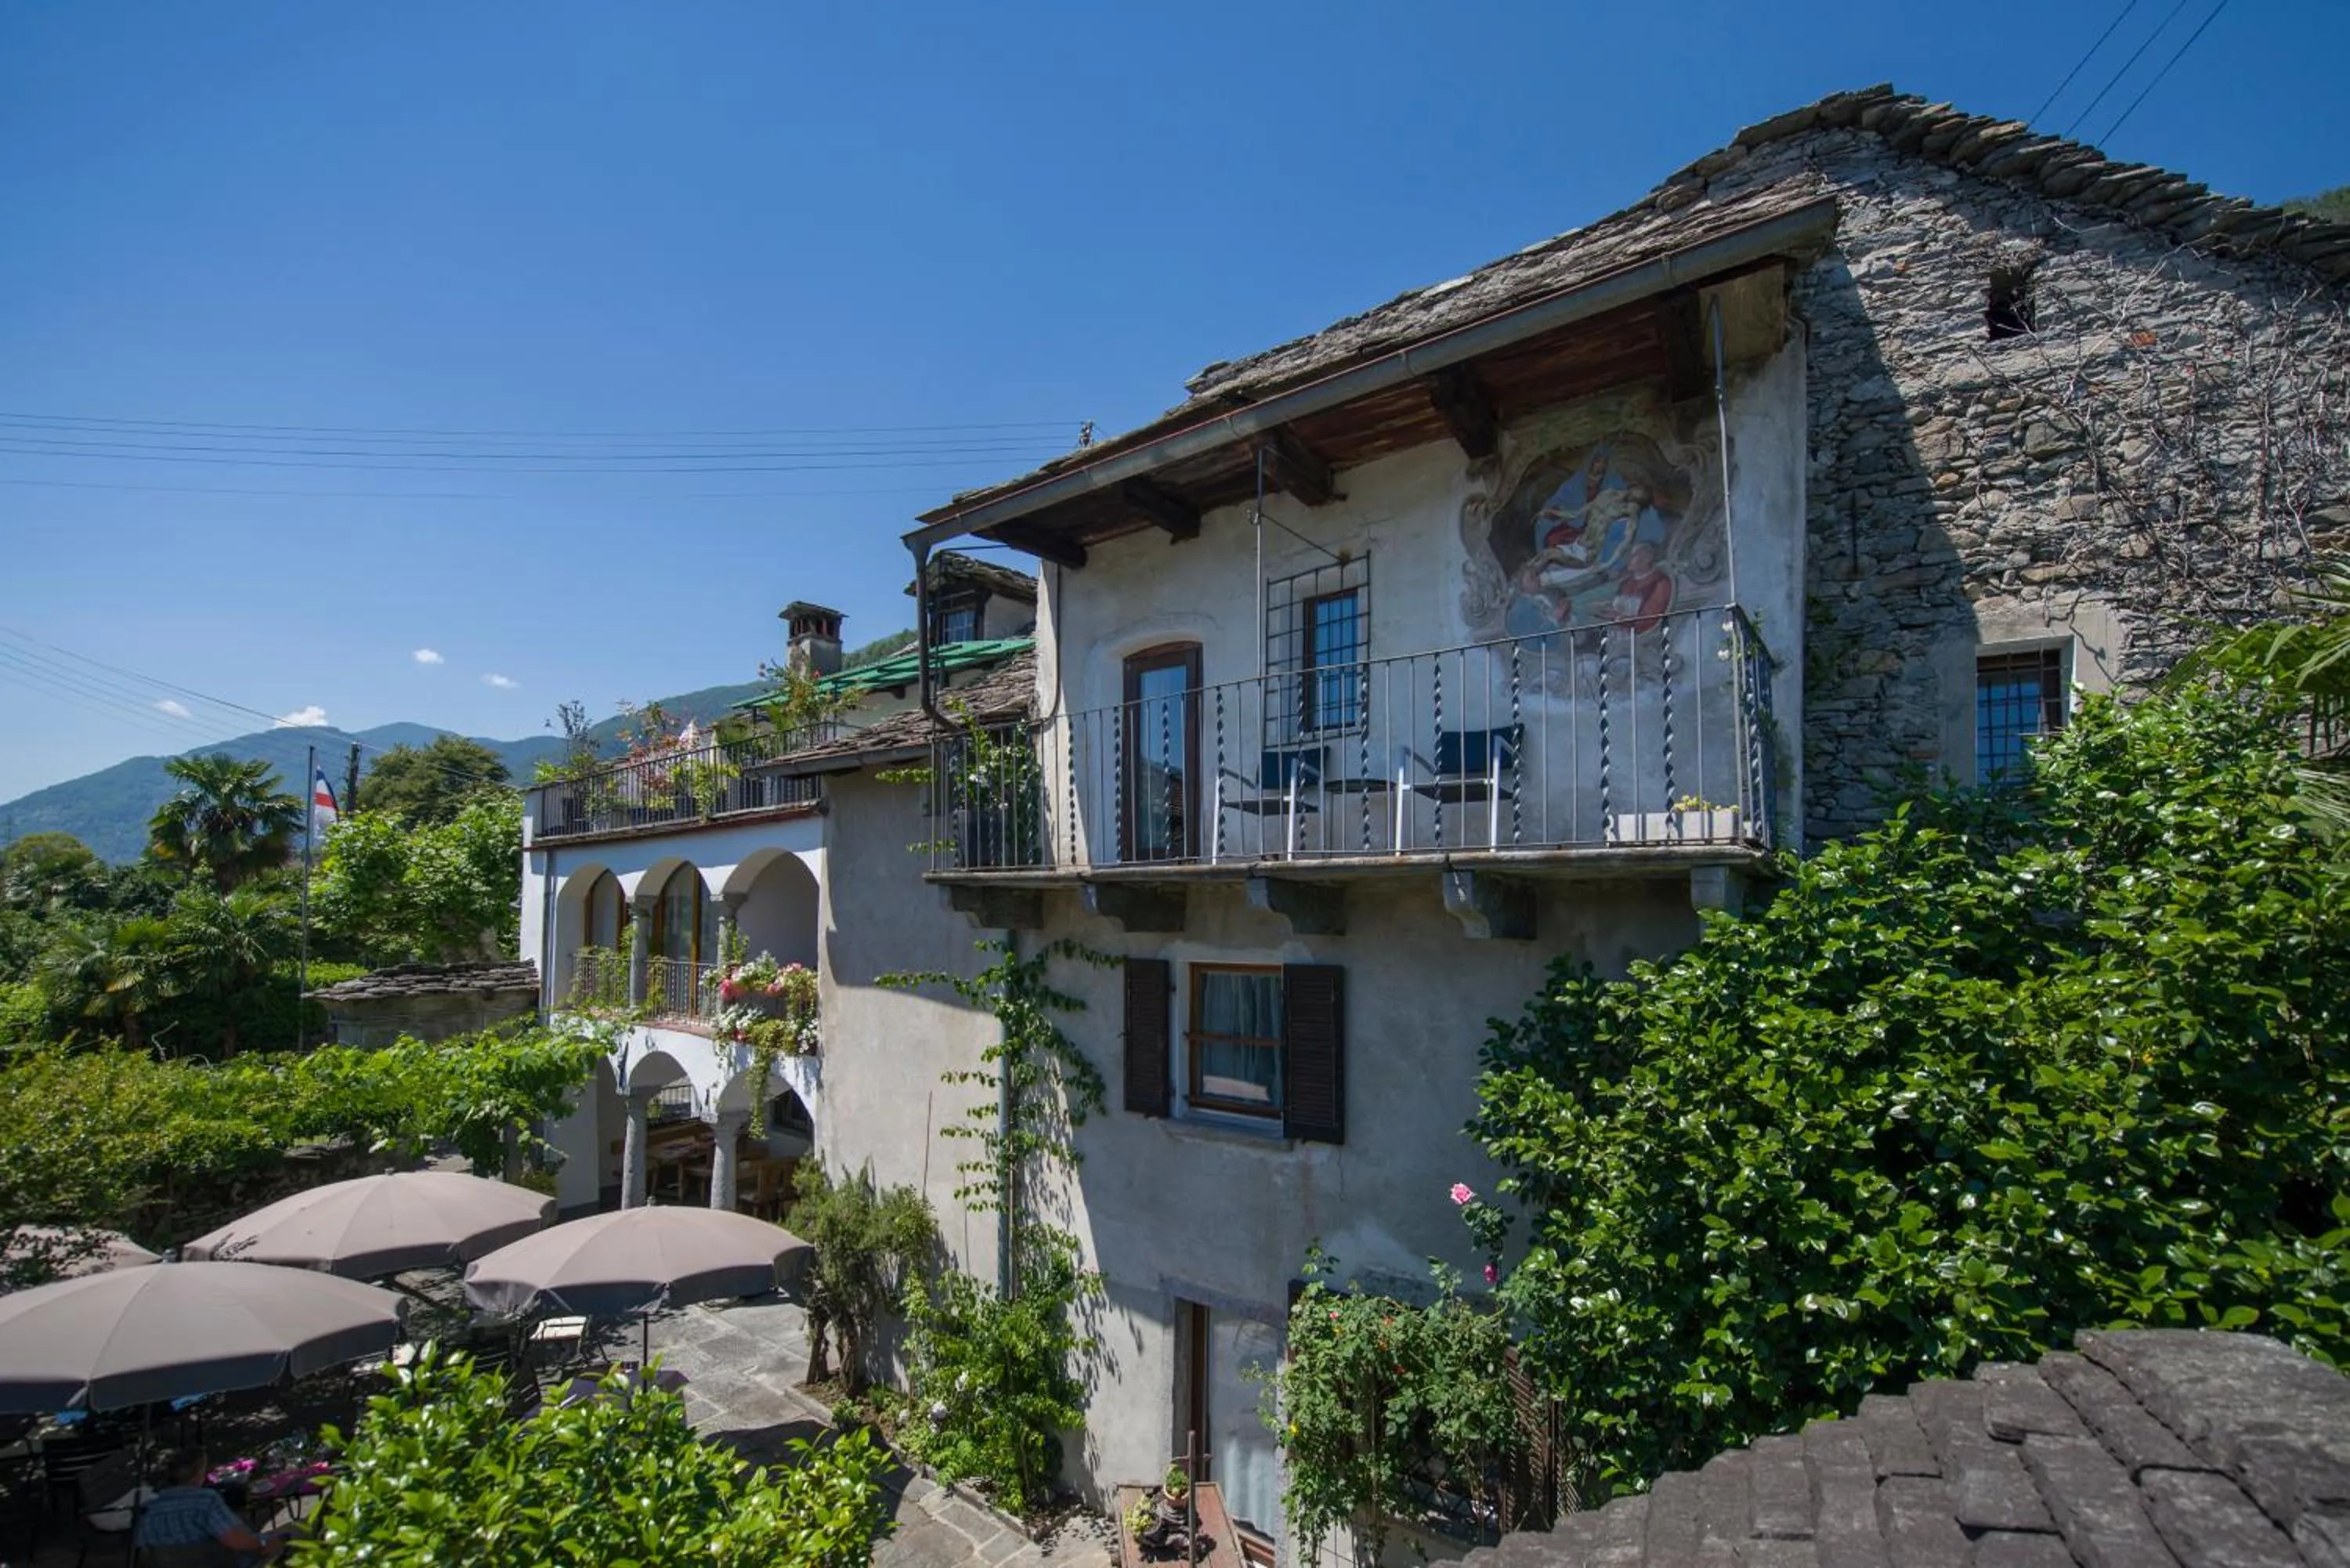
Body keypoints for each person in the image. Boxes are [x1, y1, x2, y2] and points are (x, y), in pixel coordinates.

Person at [133, 1446, 291, 1565]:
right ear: (199, 1472)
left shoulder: (148, 1508)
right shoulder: (204, 1500)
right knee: (293, 1535)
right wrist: (264, 1542)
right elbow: (237, 1540)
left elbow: (144, 1551)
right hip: (225, 1563)